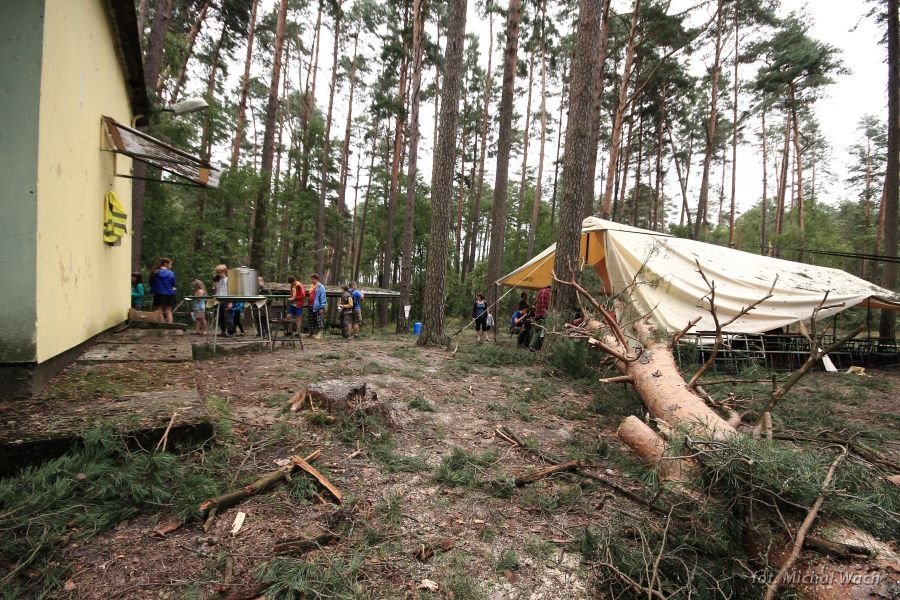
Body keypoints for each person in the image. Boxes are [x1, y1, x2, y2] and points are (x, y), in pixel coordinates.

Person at [149, 258, 176, 323]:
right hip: (169, 293)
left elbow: (151, 283)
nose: (171, 266)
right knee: (168, 310)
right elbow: (173, 284)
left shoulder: (155, 273)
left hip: (158, 294)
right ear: (166, 264)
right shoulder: (171, 273)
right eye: (170, 264)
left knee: (159, 310)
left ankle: (162, 324)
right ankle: (170, 325)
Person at [213, 264, 234, 336]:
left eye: (220, 272)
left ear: (224, 272)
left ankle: (230, 331)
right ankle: (223, 331)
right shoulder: (218, 281)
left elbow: (230, 291)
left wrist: (230, 302)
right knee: (220, 317)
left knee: (227, 316)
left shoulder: (228, 280)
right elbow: (216, 291)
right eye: (217, 273)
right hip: (219, 300)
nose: (218, 274)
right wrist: (215, 283)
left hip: (227, 299)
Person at [531, 284, 551, 350]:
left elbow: (536, 301)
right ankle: (537, 347)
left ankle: (532, 345)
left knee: (536, 331)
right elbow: (548, 303)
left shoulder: (540, 291)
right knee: (542, 332)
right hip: (544, 314)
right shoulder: (549, 292)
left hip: (538, 314)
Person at [309, 273, 327, 339]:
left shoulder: (320, 287)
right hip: (310, 305)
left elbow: (323, 298)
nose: (311, 280)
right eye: (311, 279)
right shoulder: (311, 286)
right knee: (311, 320)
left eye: (313, 279)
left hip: (317, 306)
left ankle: (320, 334)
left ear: (317, 279)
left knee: (318, 320)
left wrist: (322, 307)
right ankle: (312, 333)